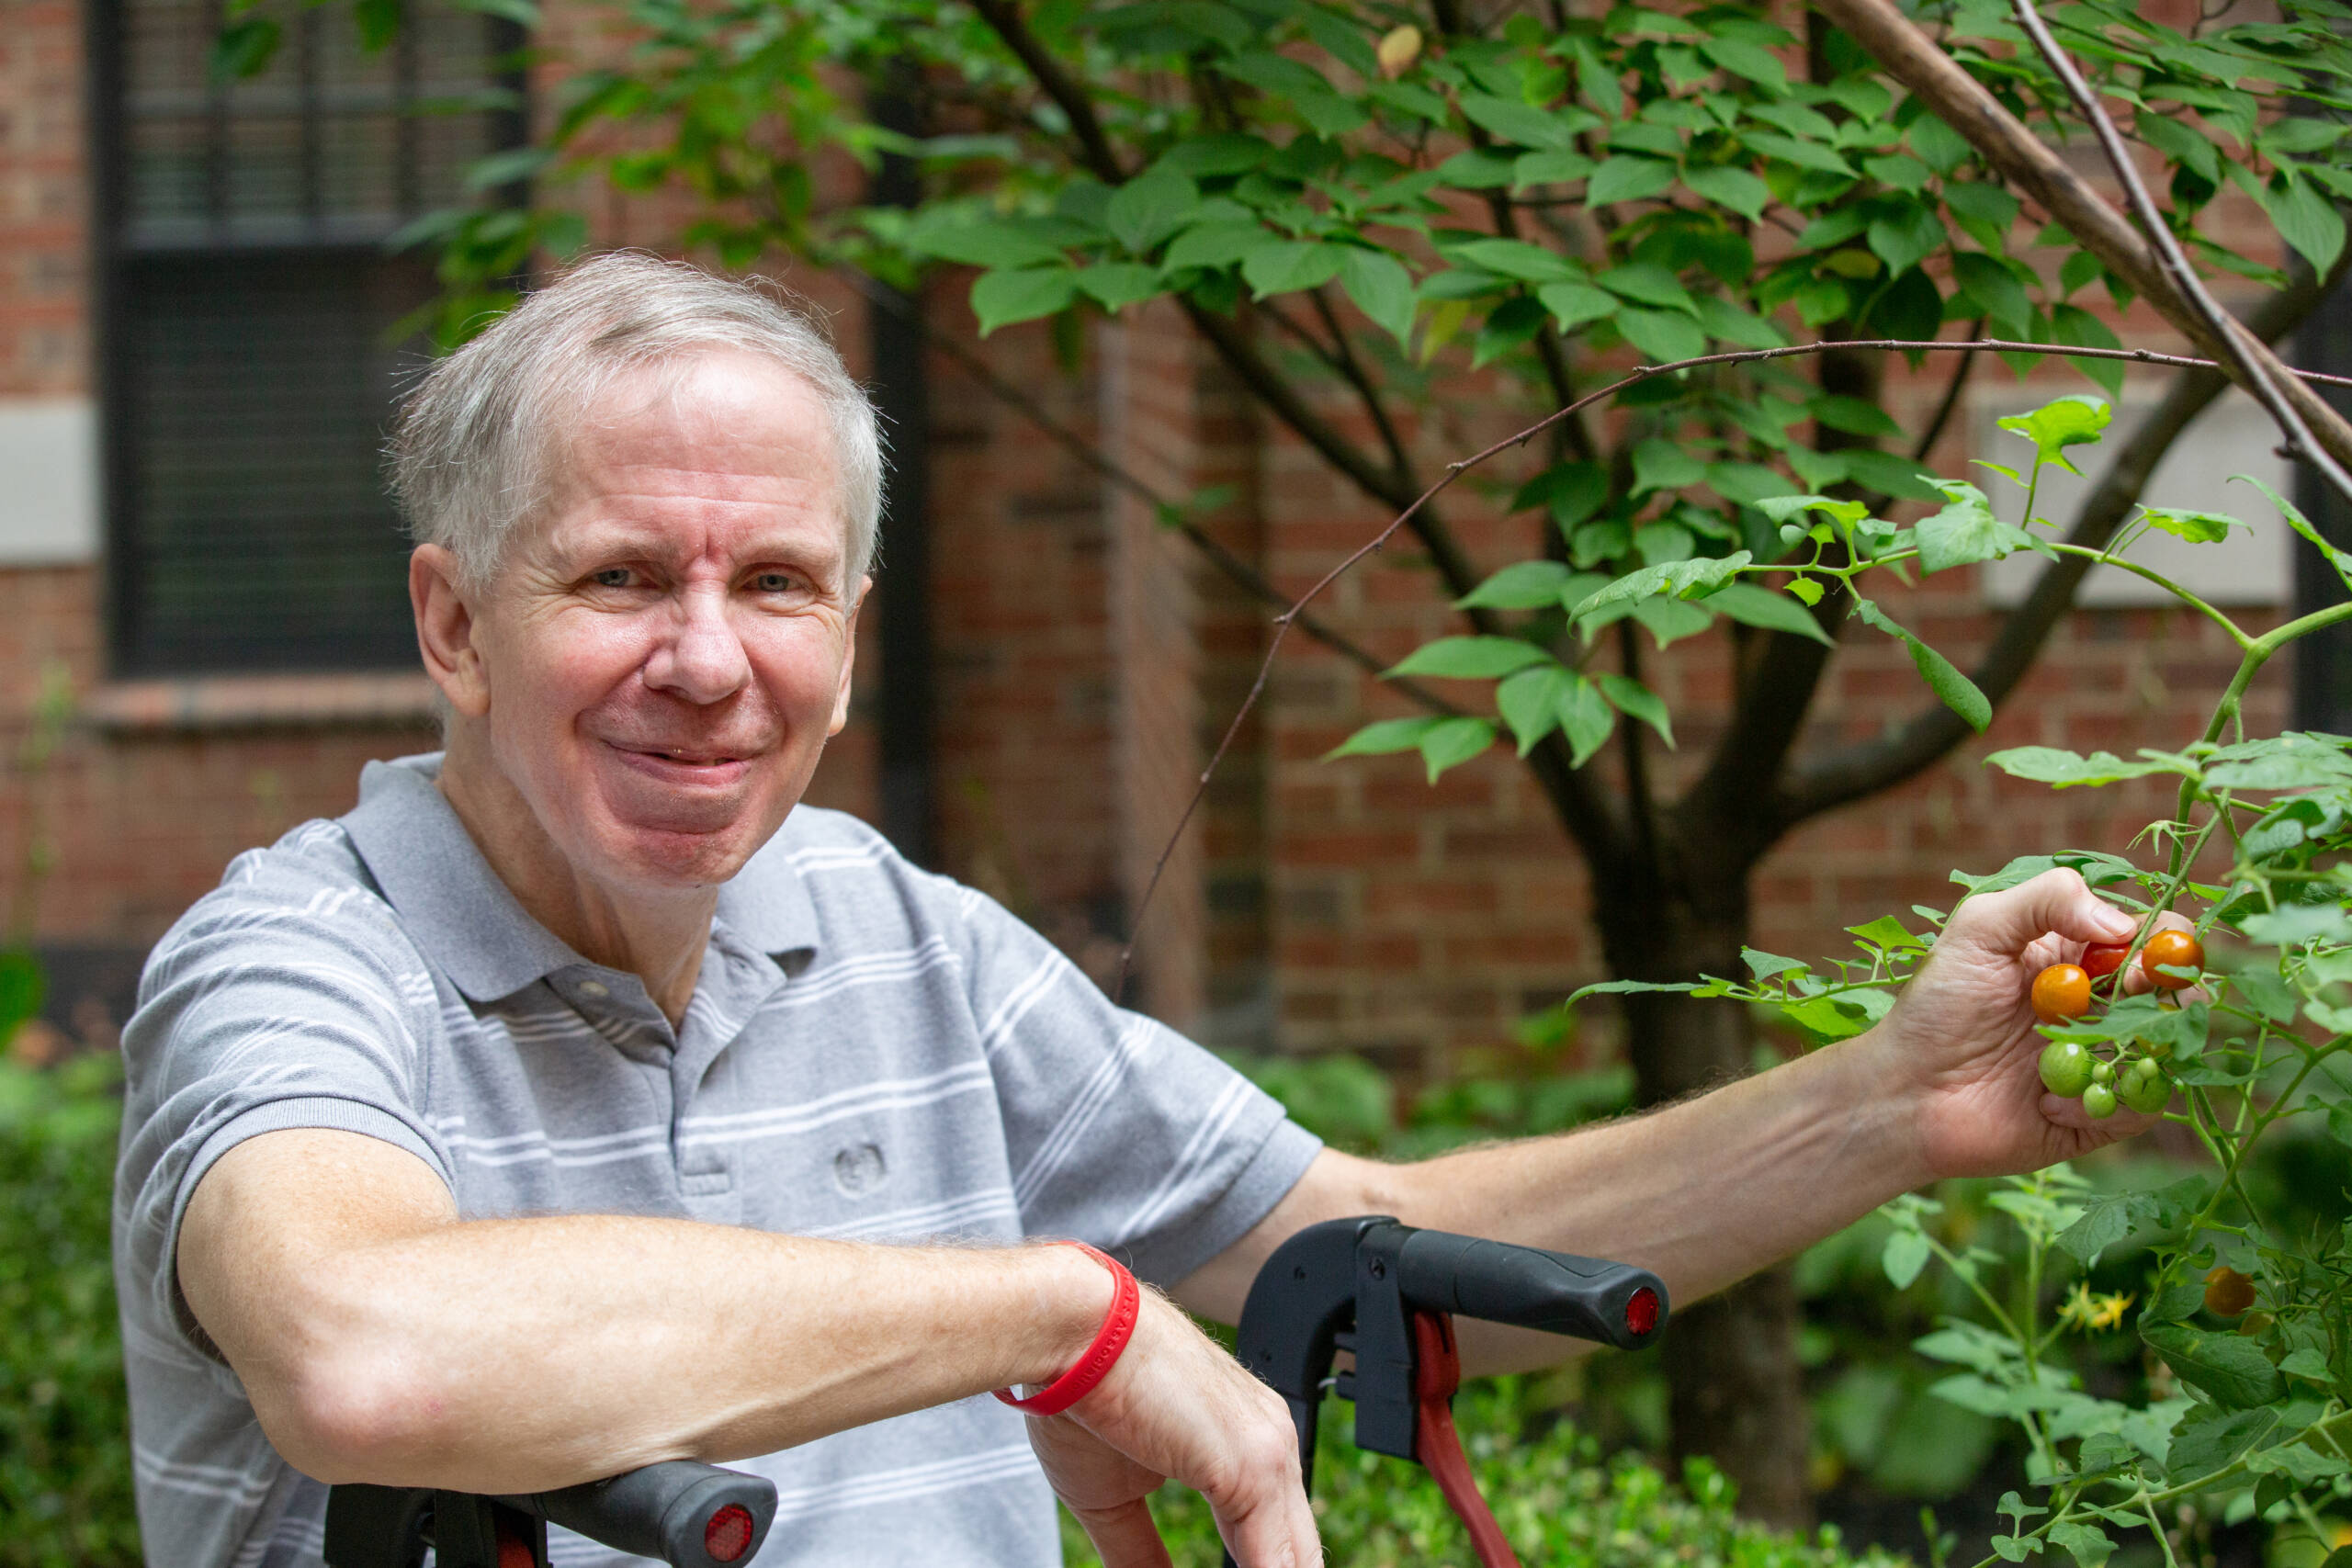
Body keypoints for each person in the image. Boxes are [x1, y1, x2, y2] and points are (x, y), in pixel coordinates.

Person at [115, 254, 2175, 1568]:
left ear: (850, 617)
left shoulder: (880, 920)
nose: (707, 656)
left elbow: (1366, 1264)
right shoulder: (299, 963)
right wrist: (1055, 1311)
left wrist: (1889, 1103)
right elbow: (365, 1353)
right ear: (452, 622)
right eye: (620, 577)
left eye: (774, 583)